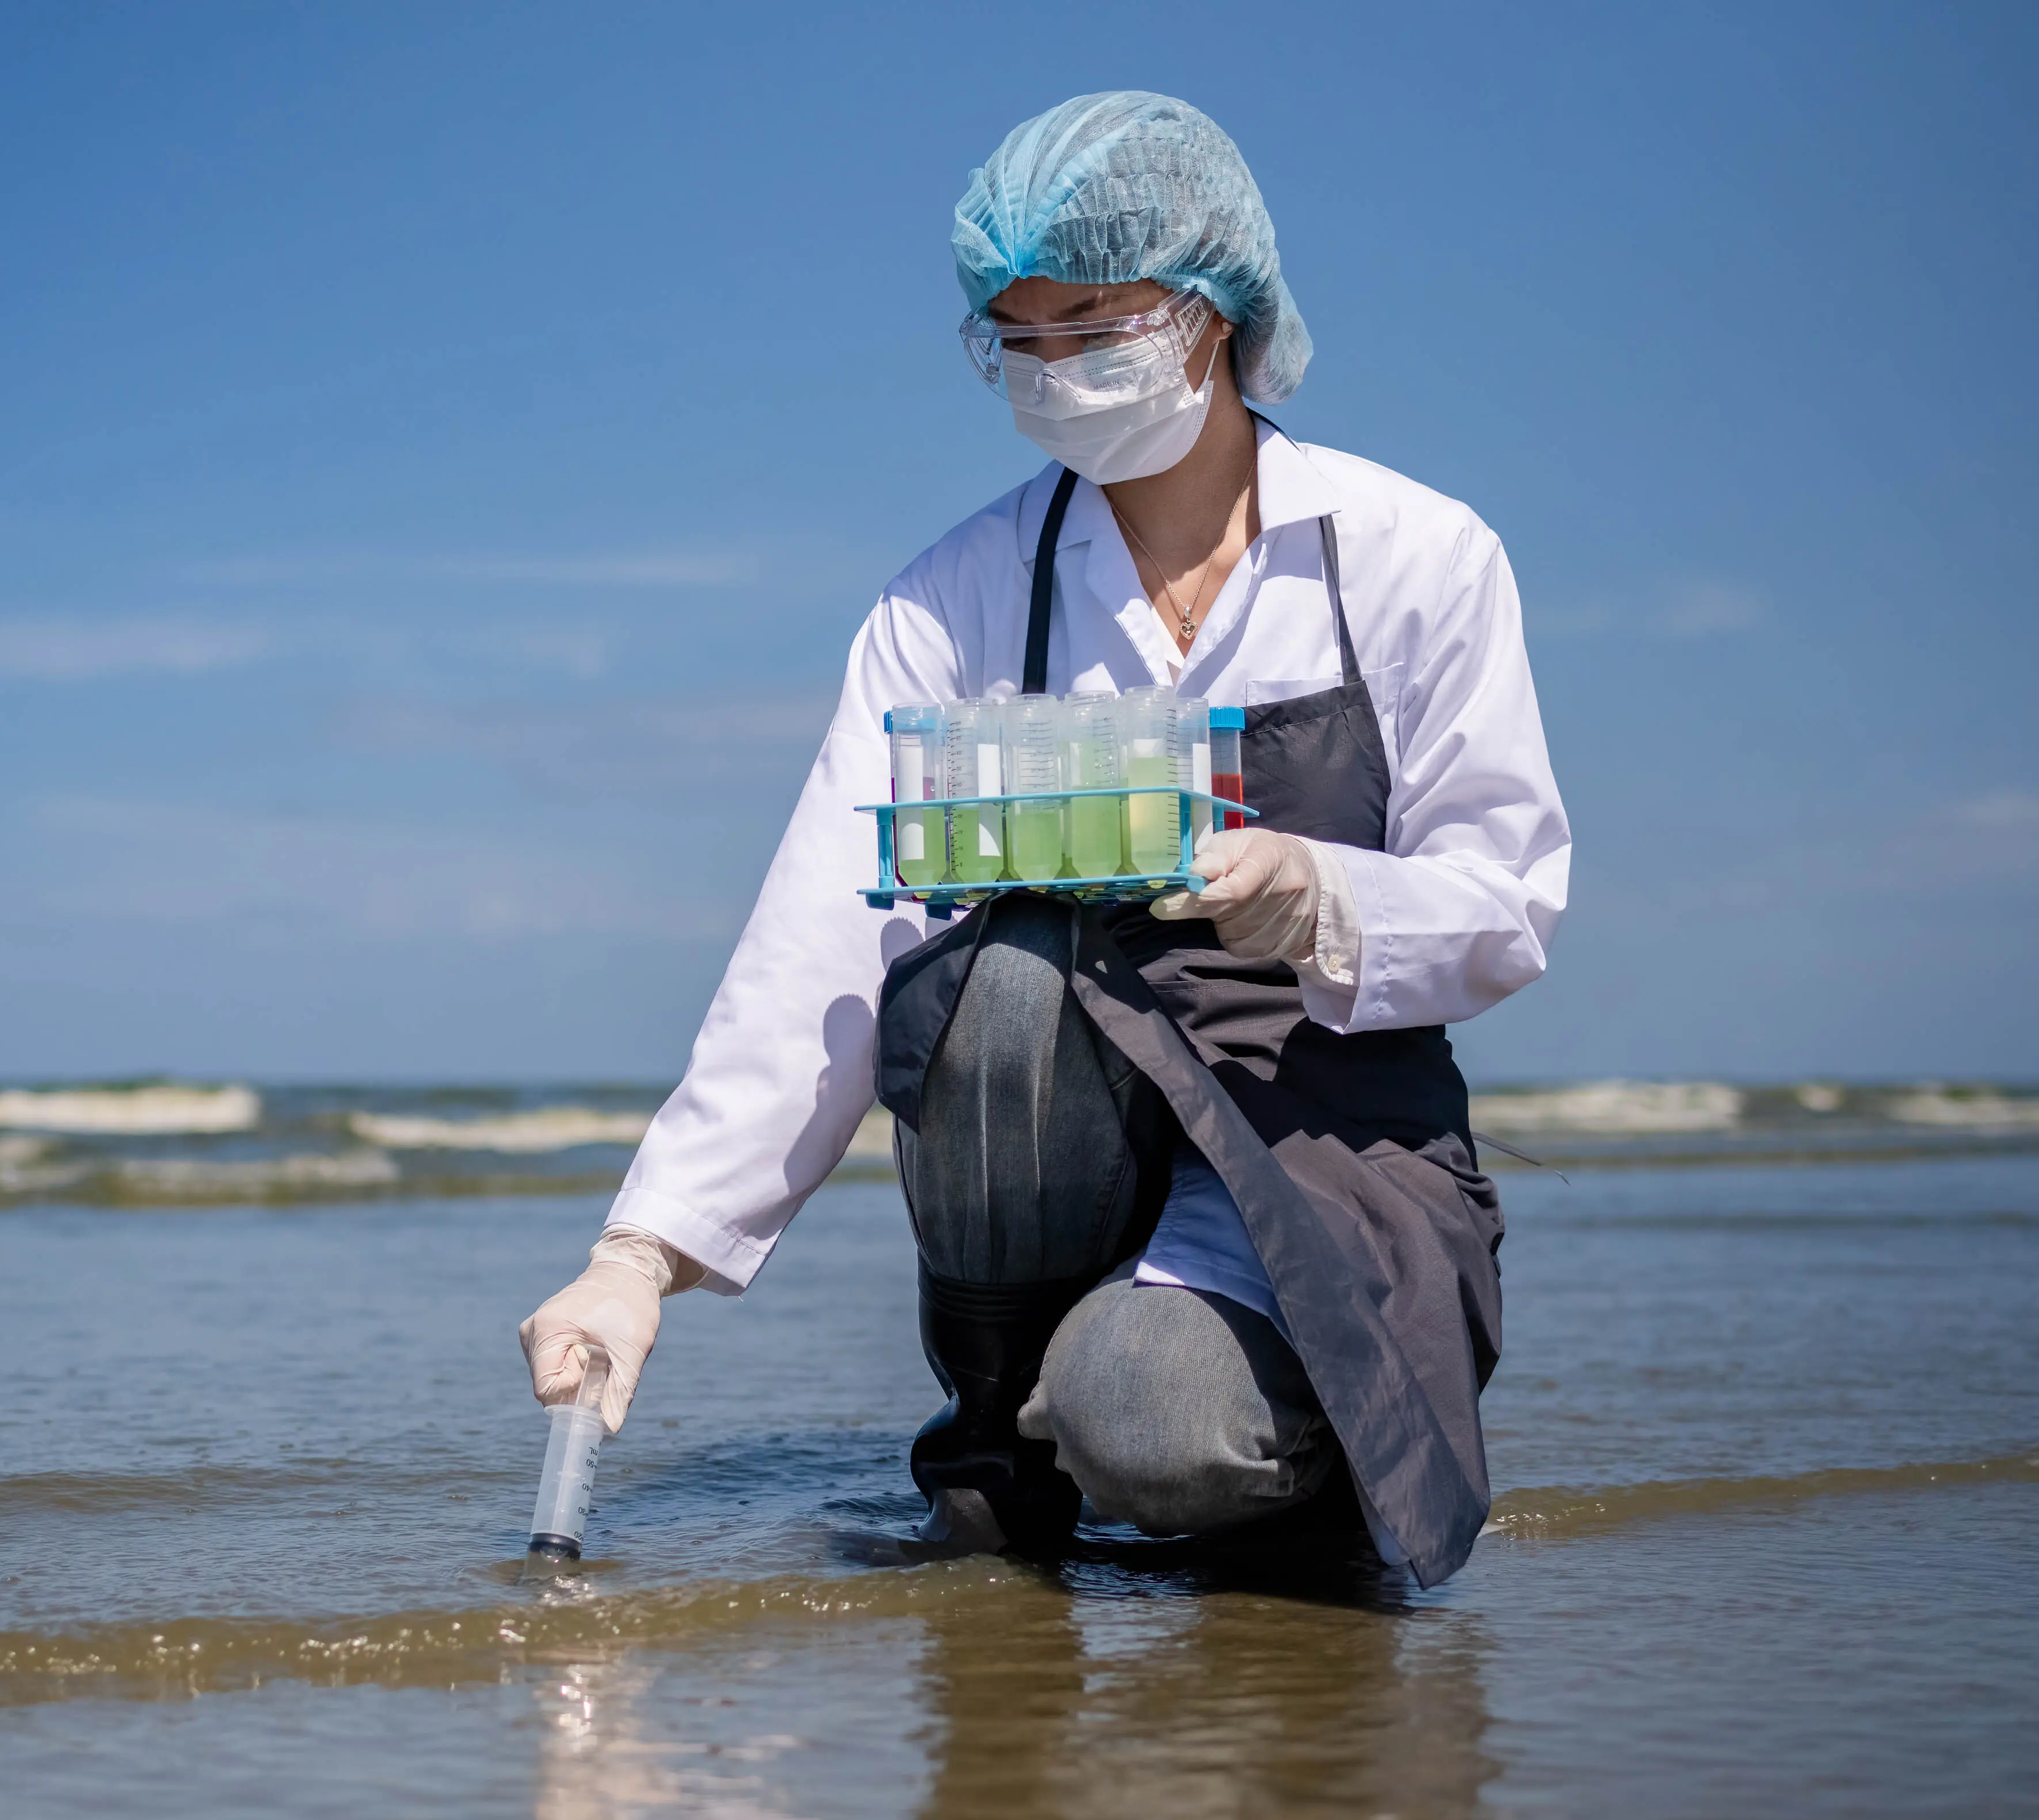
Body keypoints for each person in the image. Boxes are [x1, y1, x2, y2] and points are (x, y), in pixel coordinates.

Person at [518, 91, 1569, 1583]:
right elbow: (824, 942)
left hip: (1321, 1126)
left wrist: (1319, 894)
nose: (1055, 368)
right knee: (1000, 977)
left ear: (1211, 310)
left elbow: (1504, 902)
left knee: (1148, 1421)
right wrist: (638, 1261)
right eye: (1019, 335)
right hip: (1063, 1140)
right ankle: (1000, 1443)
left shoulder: (1414, 558)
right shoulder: (953, 599)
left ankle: (1290, 1440)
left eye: (1094, 323)